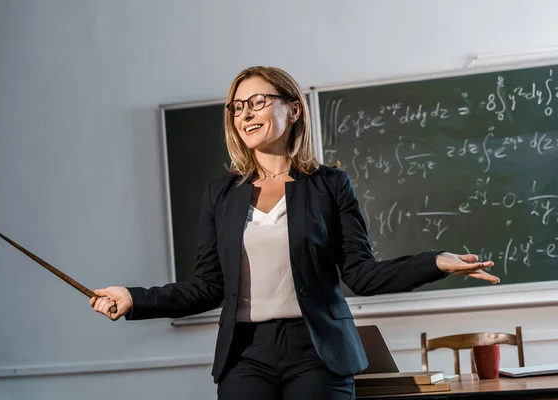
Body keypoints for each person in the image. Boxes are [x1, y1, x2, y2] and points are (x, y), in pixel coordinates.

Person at [90, 66, 499, 399]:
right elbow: (207, 286)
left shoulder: (329, 184)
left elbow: (361, 274)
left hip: (318, 351)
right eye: (236, 108)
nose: (245, 114)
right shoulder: (222, 194)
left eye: (257, 102)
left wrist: (435, 263)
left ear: (293, 110)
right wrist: (134, 299)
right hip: (245, 354)